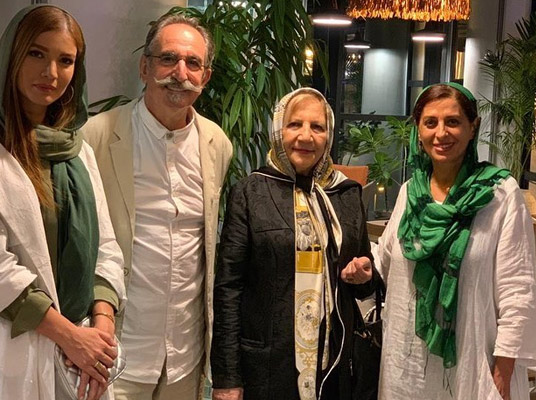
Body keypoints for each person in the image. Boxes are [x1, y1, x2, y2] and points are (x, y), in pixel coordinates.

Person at [0, 5, 126, 400]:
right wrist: (71, 337)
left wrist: (101, 332)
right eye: (36, 54)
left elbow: (105, 246)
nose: (51, 72)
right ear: (12, 56)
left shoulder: (78, 151)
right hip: (8, 348)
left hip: (82, 350)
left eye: (65, 60)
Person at [82, 13, 233, 400]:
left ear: (205, 77)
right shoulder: (97, 137)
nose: (180, 73)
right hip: (116, 350)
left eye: (193, 63)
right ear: (145, 67)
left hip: (185, 357)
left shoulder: (217, 144)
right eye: (168, 59)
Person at [211, 87, 380, 400]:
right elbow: (228, 290)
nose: (306, 136)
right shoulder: (251, 193)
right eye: (295, 125)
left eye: (317, 127)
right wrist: (226, 377)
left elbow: (365, 278)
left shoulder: (346, 194)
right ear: (279, 129)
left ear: (328, 136)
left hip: (334, 364)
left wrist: (364, 277)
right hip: (268, 366)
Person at [375, 83, 536, 400]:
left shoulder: (499, 194)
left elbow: (518, 288)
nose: (441, 133)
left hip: (472, 365)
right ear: (418, 130)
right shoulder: (410, 192)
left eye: (453, 121)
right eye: (430, 122)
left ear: (472, 127)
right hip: (406, 365)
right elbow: (387, 261)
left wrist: (503, 371)